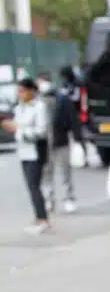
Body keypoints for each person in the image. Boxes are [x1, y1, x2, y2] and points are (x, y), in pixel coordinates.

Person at [2, 77, 52, 234]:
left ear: (31, 91)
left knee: (34, 186)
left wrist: (20, 131)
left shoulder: (39, 107)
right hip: (23, 152)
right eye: (19, 91)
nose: (20, 94)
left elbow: (41, 131)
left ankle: (43, 219)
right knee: (30, 187)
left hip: (35, 151)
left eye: (22, 91)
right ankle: (38, 217)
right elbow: (18, 125)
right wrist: (10, 126)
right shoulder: (19, 108)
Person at [40, 73, 81, 213]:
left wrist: (77, 137)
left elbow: (72, 118)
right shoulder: (38, 100)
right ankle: (48, 199)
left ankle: (68, 198)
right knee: (46, 173)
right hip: (44, 143)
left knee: (65, 172)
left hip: (61, 140)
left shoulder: (62, 99)